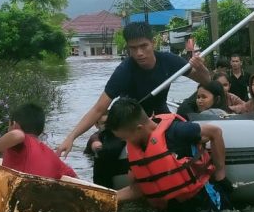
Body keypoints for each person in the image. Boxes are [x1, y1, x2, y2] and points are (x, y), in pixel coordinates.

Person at [57, 22, 211, 189]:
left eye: (144, 46)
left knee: (188, 136)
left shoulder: (169, 61)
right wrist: (71, 138)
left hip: (160, 116)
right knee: (106, 153)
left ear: (153, 43)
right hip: (128, 120)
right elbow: (99, 109)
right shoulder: (124, 71)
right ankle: (105, 194)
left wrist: (201, 68)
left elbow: (206, 81)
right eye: (133, 48)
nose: (139, 53)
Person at [108, 98, 232, 212]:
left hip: (204, 203)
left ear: (139, 129)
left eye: (125, 138)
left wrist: (220, 174)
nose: (125, 142)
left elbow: (215, 132)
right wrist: (109, 197)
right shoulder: (138, 150)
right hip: (171, 210)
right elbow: (137, 189)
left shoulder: (176, 131)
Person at [0, 103, 77, 180]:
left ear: (14, 125)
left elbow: (17, 135)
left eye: (8, 126)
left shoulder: (20, 139)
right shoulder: (52, 155)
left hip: (20, 199)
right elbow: (74, 177)